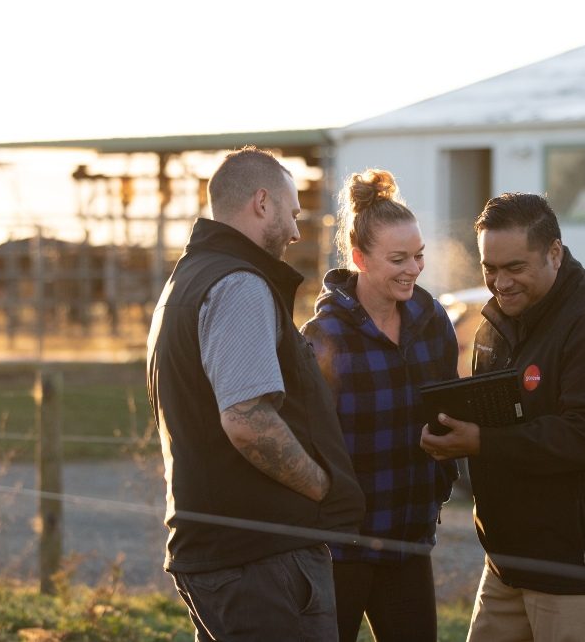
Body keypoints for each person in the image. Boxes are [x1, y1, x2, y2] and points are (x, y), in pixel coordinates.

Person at [146, 146, 365, 641]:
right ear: (261, 203)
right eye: (292, 213)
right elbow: (247, 420)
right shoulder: (239, 284)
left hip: (225, 552)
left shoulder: (187, 279)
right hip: (260, 559)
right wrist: (323, 488)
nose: (294, 230)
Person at [420, 192, 585, 642]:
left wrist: (481, 441)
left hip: (579, 574)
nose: (500, 283)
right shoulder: (496, 324)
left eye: (515, 268)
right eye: (490, 269)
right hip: (507, 566)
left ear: (555, 253)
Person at [301, 169, 460, 642]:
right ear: (359, 258)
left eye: (418, 256)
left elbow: (447, 405)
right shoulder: (323, 336)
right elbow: (308, 442)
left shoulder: (432, 321)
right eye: (398, 259)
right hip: (340, 546)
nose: (412, 269)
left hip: (408, 537)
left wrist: (441, 478)